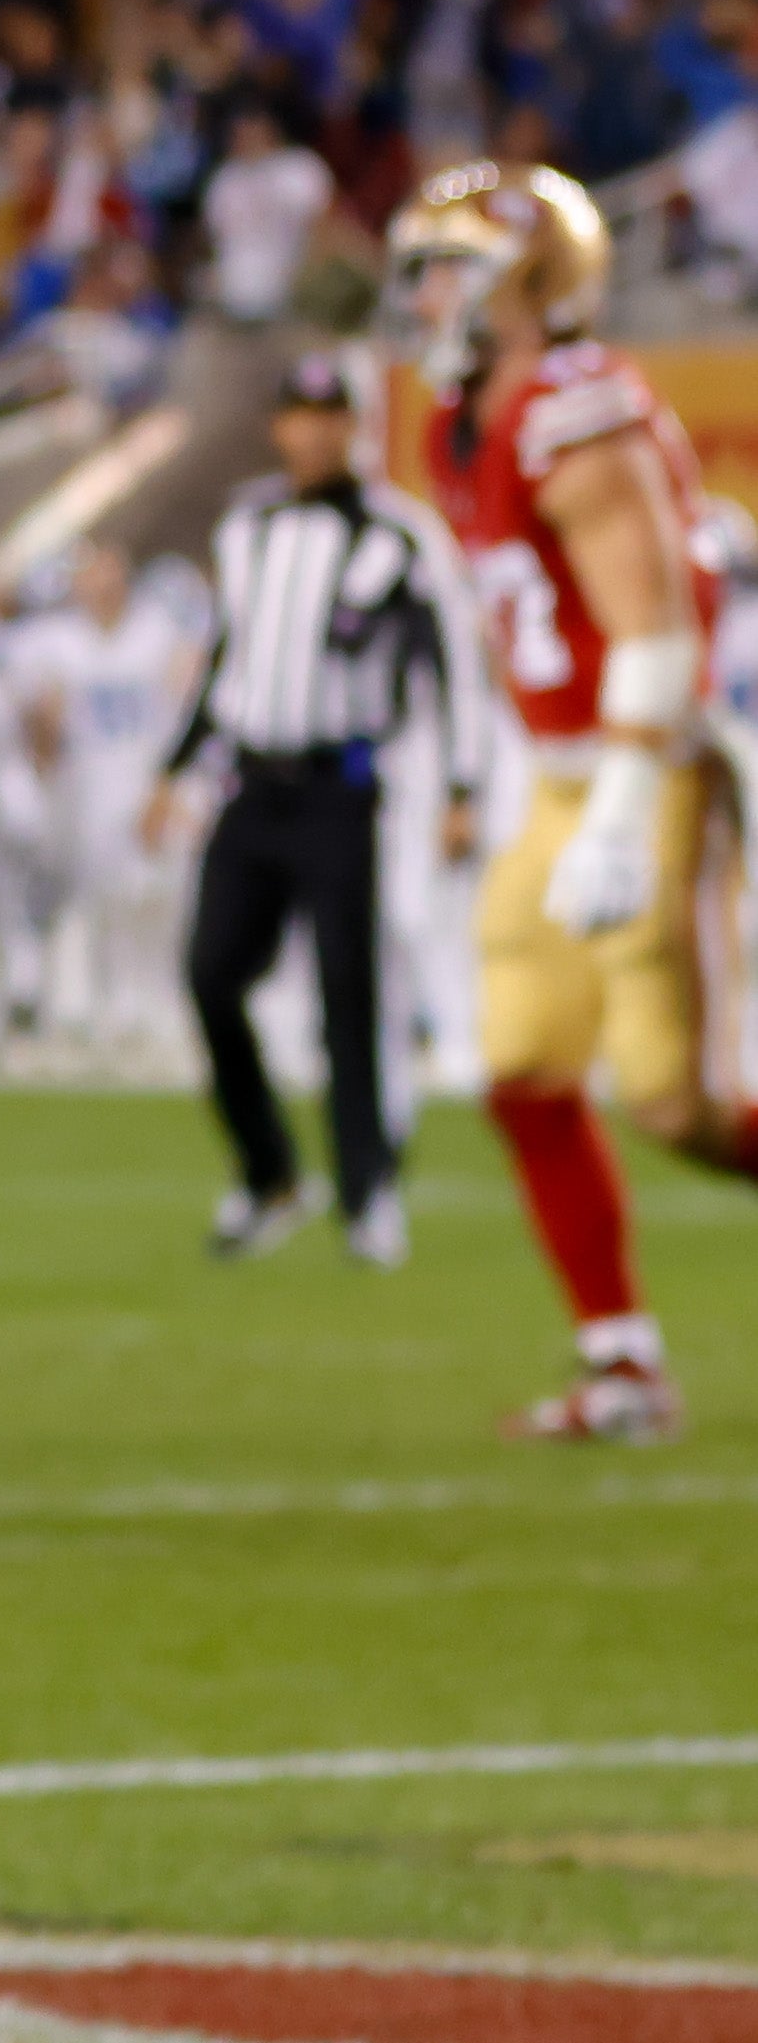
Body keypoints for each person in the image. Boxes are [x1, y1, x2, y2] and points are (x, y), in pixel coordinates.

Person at [387, 161, 739, 1443]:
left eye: (448, 267)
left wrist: (618, 806)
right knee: (525, 1069)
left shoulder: (570, 406)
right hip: (555, 781)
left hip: (644, 771)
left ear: (528, 280)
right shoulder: (459, 419)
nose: (424, 294)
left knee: (673, 1103)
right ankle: (620, 1366)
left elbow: (650, 631)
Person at [170, 354, 454, 1264]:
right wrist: (170, 768)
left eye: (336, 413)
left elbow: (442, 672)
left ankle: (368, 1192)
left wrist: (461, 786)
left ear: (360, 425)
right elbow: (228, 655)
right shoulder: (245, 525)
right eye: (303, 411)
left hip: (341, 785)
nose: (318, 429)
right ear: (279, 424)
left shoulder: (398, 535)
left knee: (349, 996)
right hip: (250, 783)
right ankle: (270, 1173)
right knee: (211, 974)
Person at [28, 536, 204, 1054]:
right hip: (90, 785)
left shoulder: (157, 631)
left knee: (162, 899)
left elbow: (183, 705)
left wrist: (175, 788)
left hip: (149, 777)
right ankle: (115, 1005)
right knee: (102, 899)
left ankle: (165, 1005)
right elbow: (49, 720)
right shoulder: (59, 640)